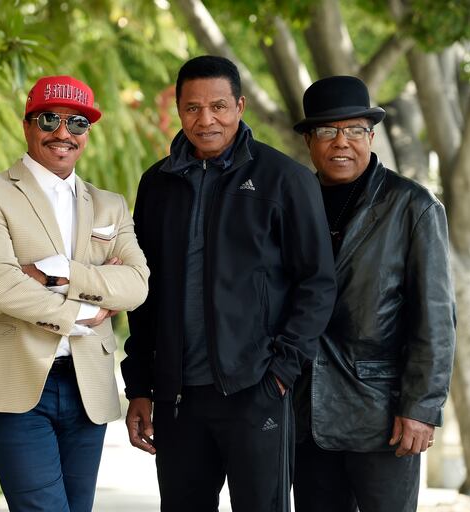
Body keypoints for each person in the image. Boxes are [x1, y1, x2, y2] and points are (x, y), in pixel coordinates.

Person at [121, 55, 337, 512]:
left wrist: (281, 373)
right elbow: (144, 293)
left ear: (239, 106)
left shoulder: (286, 180)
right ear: (178, 109)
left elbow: (317, 284)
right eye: (193, 108)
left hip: (255, 391)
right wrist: (141, 385)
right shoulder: (156, 184)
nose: (206, 120)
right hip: (178, 398)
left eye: (218, 106)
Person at [0, 75, 149, 512]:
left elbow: (136, 284)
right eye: (50, 119)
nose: (63, 133)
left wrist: (57, 274)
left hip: (87, 388)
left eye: (77, 123)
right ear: (27, 124)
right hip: (14, 383)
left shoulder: (109, 204)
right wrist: (87, 312)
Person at [291, 75, 457, 512]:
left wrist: (422, 406)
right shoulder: (291, 202)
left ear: (371, 135)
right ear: (309, 139)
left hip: (383, 413)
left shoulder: (413, 206)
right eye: (327, 131)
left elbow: (435, 318)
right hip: (303, 413)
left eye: (354, 131)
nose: (341, 143)